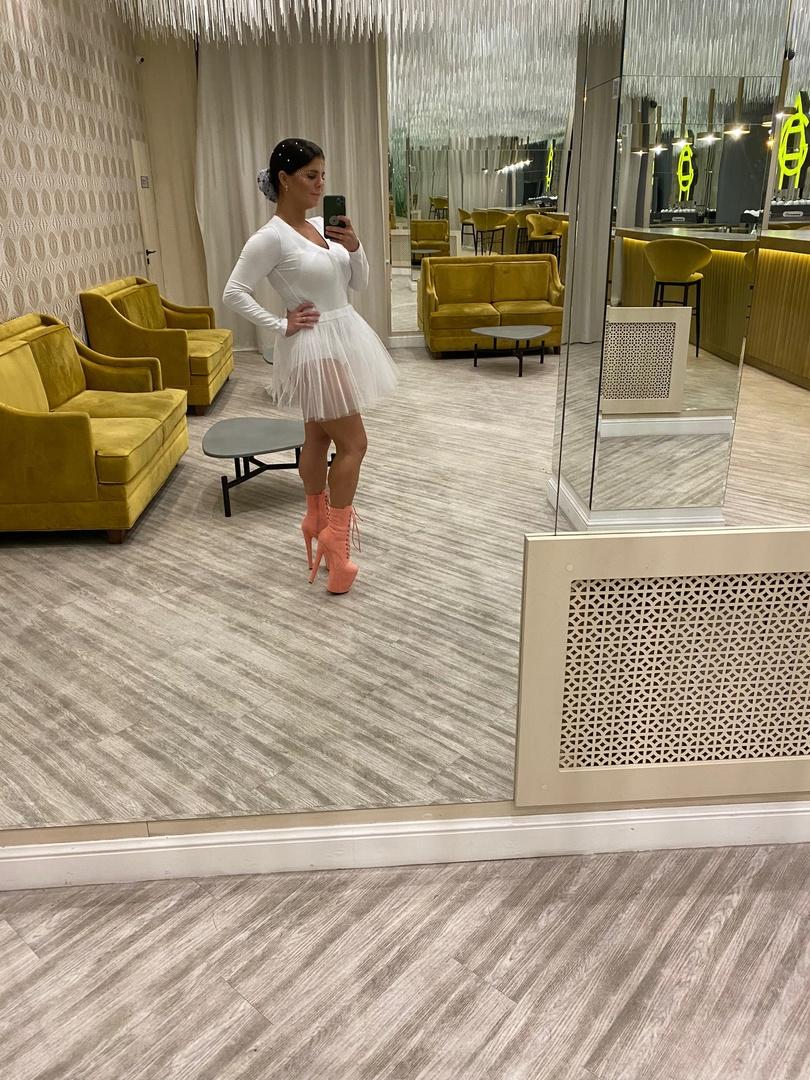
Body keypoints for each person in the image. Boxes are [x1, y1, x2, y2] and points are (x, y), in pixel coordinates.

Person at [223, 138, 398, 596]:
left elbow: (358, 283)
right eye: (310, 175)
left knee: (318, 437)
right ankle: (336, 542)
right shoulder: (270, 237)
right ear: (284, 179)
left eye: (323, 175)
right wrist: (280, 324)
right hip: (313, 344)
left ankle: (316, 518)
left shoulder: (323, 226)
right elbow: (233, 291)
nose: (320, 184)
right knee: (355, 443)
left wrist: (355, 247)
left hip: (344, 334)